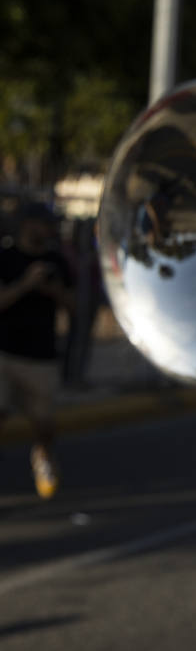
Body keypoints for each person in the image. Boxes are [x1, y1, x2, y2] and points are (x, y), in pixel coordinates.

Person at [0, 200, 74, 498]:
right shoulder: (4, 257)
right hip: (3, 352)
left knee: (45, 424)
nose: (48, 229)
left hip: (41, 355)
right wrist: (26, 284)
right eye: (43, 223)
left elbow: (74, 306)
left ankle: (42, 456)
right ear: (26, 224)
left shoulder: (56, 262)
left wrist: (51, 289)